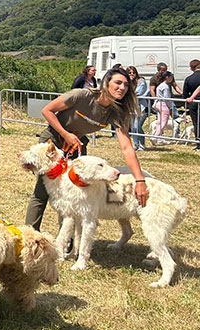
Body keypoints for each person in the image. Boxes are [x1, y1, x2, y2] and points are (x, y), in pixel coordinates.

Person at [25, 66, 149, 231]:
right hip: (53, 141)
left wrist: (140, 180)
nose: (122, 88)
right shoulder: (81, 95)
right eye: (118, 83)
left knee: (75, 191)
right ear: (106, 82)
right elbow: (47, 110)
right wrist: (65, 133)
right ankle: (29, 235)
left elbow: (126, 147)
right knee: (43, 190)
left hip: (77, 144)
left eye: (126, 85)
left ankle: (67, 240)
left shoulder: (116, 112)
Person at [127, 65, 148, 151]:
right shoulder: (126, 82)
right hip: (131, 107)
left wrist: (128, 94)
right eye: (129, 73)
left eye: (133, 72)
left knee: (138, 127)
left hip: (141, 107)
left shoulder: (141, 81)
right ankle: (136, 144)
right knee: (133, 127)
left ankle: (142, 145)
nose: (132, 74)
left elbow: (139, 92)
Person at [182, 59, 200, 151]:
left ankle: (198, 143)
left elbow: (185, 93)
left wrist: (188, 99)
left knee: (196, 123)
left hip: (193, 103)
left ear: (191, 68)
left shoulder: (189, 79)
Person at [153, 71, 175, 143]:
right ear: (167, 77)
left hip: (158, 103)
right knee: (164, 122)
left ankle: (159, 137)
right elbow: (166, 98)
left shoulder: (160, 85)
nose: (172, 79)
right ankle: (156, 136)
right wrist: (170, 106)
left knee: (159, 121)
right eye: (171, 77)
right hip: (163, 104)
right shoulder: (165, 86)